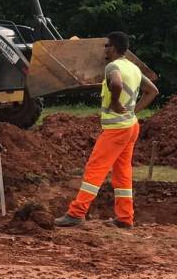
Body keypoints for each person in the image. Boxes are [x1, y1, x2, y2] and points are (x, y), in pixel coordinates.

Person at [55, 31, 158, 229]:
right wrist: (132, 111)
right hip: (130, 126)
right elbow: (153, 91)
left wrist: (116, 103)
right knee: (122, 173)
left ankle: (76, 213)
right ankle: (125, 218)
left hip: (116, 129)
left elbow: (117, 83)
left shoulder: (112, 66)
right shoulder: (134, 69)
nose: (104, 49)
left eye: (107, 45)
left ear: (114, 48)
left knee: (95, 170)